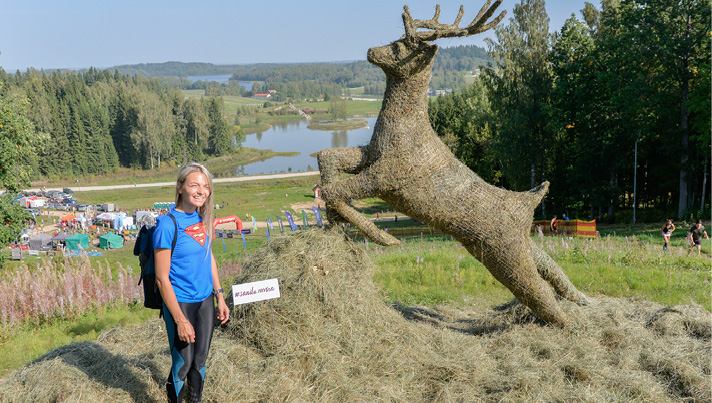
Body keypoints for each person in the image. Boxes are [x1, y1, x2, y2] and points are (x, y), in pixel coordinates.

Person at [154, 162, 230, 403]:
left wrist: (219, 296)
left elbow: (209, 258)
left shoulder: (202, 218)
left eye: (205, 186)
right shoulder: (167, 225)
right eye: (194, 185)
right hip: (181, 302)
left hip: (205, 300)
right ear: (179, 188)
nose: (201, 191)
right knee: (183, 364)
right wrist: (180, 320)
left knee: (200, 360)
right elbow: (161, 278)